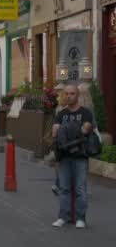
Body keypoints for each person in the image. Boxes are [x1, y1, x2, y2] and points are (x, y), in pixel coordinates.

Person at [51, 84, 94, 229]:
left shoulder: (85, 113)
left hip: (80, 155)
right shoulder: (61, 114)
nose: (69, 96)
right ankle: (64, 217)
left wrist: (65, 130)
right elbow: (54, 133)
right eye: (67, 94)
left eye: (72, 94)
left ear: (78, 95)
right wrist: (74, 129)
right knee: (64, 188)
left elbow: (86, 129)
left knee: (80, 188)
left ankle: (81, 218)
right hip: (64, 156)